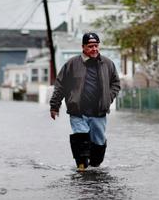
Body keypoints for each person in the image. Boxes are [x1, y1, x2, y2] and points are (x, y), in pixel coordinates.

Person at [50, 32, 121, 170]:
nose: (94, 49)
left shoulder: (107, 64)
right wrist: (54, 106)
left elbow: (116, 84)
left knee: (98, 144)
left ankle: (94, 167)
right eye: (90, 46)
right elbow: (60, 86)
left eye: (96, 45)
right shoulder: (72, 64)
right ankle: (81, 168)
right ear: (83, 47)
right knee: (81, 139)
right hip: (78, 112)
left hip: (98, 112)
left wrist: (108, 98)